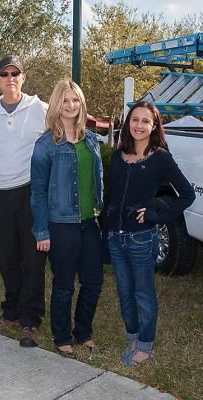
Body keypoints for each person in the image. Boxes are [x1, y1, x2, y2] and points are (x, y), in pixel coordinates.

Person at [105, 101, 196, 366]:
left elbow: (187, 195)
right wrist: (106, 224)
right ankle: (133, 334)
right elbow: (113, 193)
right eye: (135, 120)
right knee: (124, 291)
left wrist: (157, 215)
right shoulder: (118, 156)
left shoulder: (160, 158)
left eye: (146, 121)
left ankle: (146, 345)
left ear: (155, 125)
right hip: (115, 237)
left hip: (142, 238)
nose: (139, 125)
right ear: (128, 122)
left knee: (143, 293)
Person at [0, 55, 47, 347]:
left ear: (23, 78)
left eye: (16, 73)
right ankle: (12, 311)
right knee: (6, 257)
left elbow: (59, 140)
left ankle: (30, 320)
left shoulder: (39, 109)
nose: (10, 78)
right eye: (5, 73)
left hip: (30, 193)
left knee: (32, 259)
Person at [30, 80, 104, 358]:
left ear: (81, 104)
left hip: (89, 223)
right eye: (65, 100)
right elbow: (37, 192)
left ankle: (83, 331)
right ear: (56, 105)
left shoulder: (92, 140)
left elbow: (97, 183)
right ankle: (62, 336)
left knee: (93, 281)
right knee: (64, 285)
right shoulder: (45, 145)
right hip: (61, 225)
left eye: (76, 100)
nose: (71, 105)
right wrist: (41, 231)